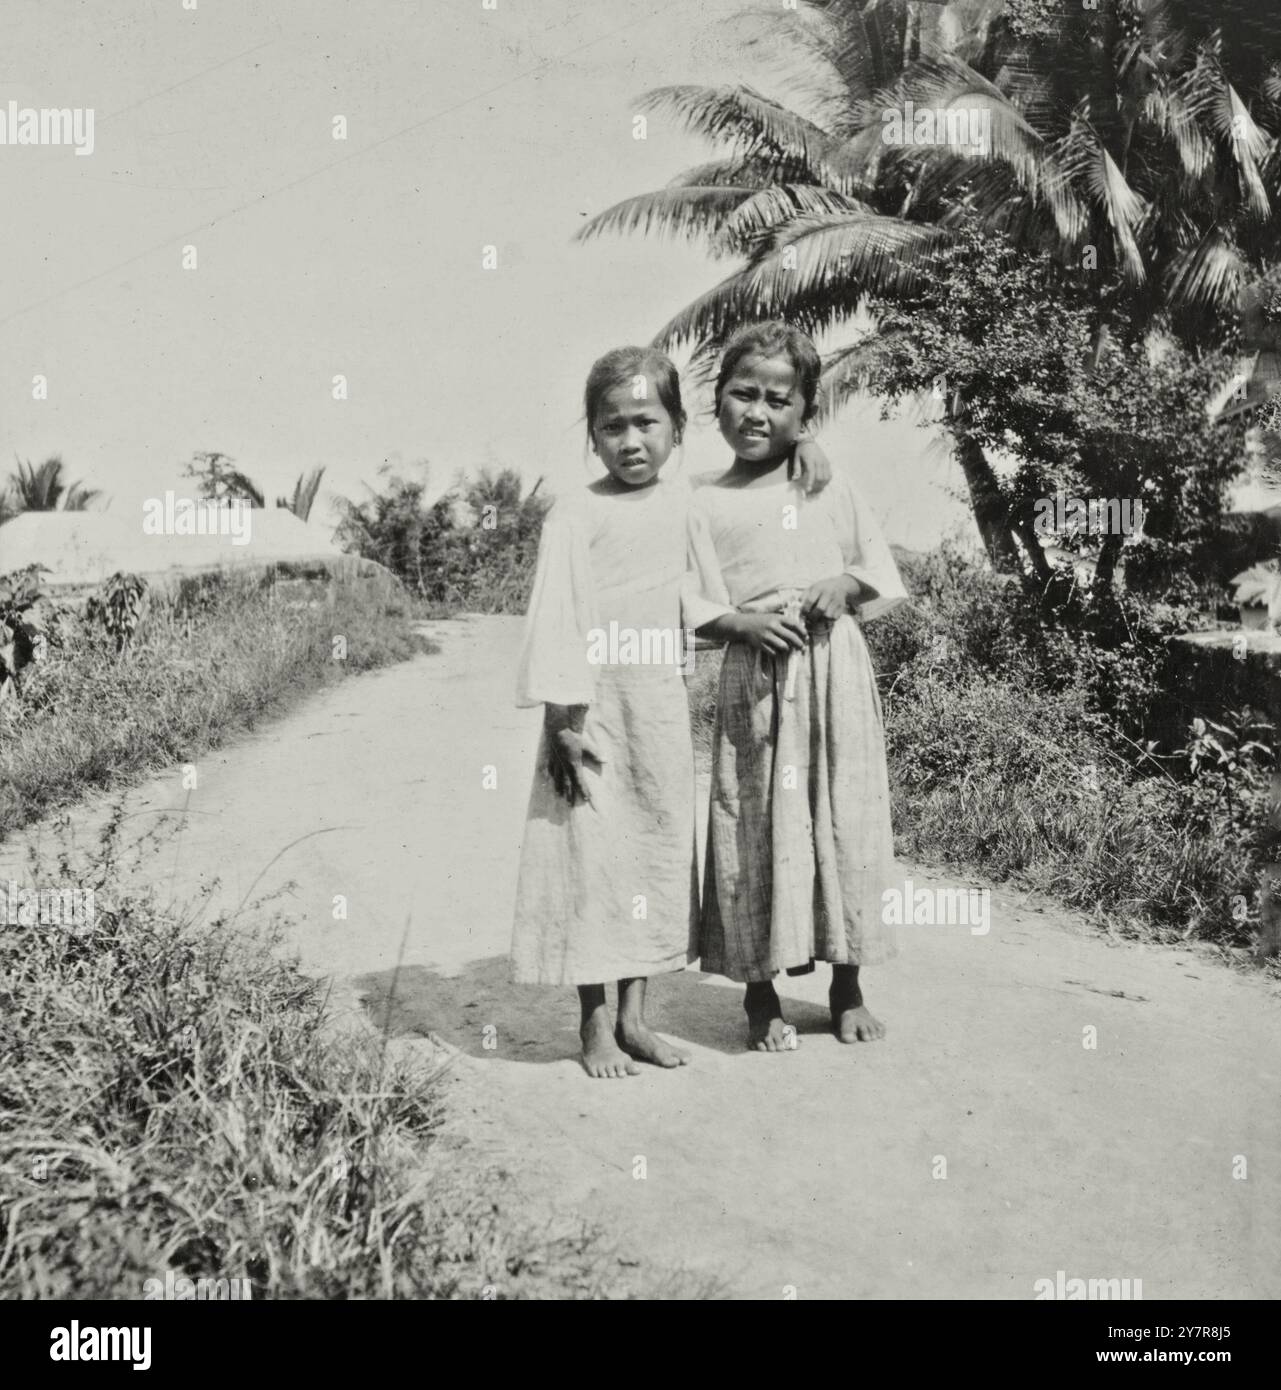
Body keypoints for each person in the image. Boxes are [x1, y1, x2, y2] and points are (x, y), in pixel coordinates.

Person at [511, 344, 834, 1077]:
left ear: (678, 427)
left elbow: (698, 593)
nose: (632, 441)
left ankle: (635, 1020)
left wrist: (808, 444)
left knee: (651, 856)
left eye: (647, 423)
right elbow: (558, 621)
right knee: (590, 859)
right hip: (589, 710)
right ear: (591, 435)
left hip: (655, 703)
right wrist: (562, 722)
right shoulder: (575, 512)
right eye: (613, 426)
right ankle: (593, 1025)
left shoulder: (686, 502)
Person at [683, 321, 908, 1052]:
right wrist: (738, 625)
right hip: (754, 680)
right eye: (741, 395)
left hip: (833, 672)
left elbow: (873, 566)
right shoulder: (697, 500)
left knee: (841, 818)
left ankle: (847, 985)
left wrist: (843, 584)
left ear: (803, 413)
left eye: (778, 401)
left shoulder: (823, 479)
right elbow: (688, 605)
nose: (757, 413)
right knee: (750, 824)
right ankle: (760, 995)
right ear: (713, 403)